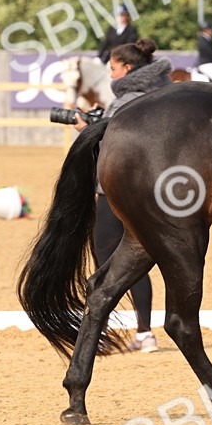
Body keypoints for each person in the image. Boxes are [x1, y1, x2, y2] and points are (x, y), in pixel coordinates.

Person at [77, 38, 172, 350]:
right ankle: (144, 333)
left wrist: (87, 129)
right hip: (156, 191)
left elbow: (113, 147)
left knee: (107, 260)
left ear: (128, 68)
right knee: (137, 258)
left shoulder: (125, 100)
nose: (111, 74)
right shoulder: (162, 94)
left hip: (116, 191)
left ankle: (99, 332)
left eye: (114, 68)